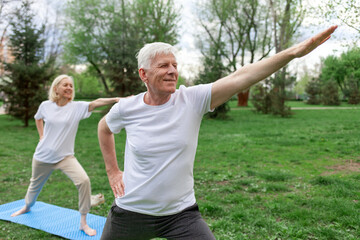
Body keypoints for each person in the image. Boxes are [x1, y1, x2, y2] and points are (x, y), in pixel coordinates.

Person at [97, 26, 338, 239]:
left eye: (174, 65)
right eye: (163, 66)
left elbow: (240, 77)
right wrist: (113, 171)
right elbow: (104, 128)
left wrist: (292, 53)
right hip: (131, 212)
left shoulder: (191, 100)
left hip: (180, 214)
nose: (172, 71)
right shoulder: (127, 108)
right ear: (143, 74)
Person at [11, 74, 120, 236]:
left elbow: (95, 103)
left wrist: (116, 99)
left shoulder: (76, 107)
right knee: (34, 185)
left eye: (71, 85)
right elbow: (38, 118)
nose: (69, 88)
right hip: (43, 157)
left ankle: (83, 222)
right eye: (65, 85)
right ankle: (27, 206)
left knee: (84, 181)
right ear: (56, 88)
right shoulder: (45, 106)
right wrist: (41, 136)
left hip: (65, 157)